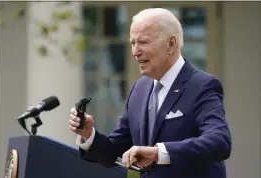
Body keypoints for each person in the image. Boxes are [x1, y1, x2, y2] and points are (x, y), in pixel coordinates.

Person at [69, 8, 232, 178]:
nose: (135, 51)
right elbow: (115, 150)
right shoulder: (139, 88)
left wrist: (158, 153)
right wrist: (88, 135)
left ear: (171, 44)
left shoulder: (202, 85)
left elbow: (219, 142)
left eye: (144, 42)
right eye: (133, 43)